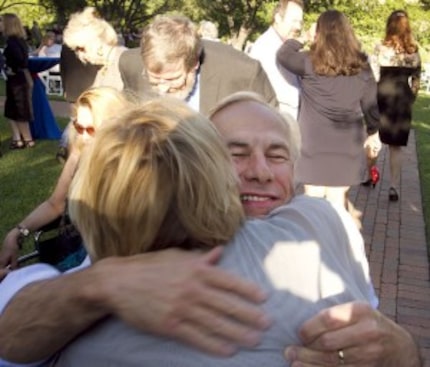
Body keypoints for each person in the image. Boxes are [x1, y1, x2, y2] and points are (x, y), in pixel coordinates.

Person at [0, 93, 420, 367]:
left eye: (277, 155)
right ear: (198, 170)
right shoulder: (121, 248)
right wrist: (99, 285)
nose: (258, 172)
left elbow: (367, 321)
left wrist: (403, 351)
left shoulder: (326, 229)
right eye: (235, 154)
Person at [0, 87, 132, 271]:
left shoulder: (133, 166)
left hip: (117, 258)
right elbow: (56, 204)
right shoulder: (79, 150)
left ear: (117, 128)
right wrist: (17, 233)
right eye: (79, 127)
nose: (84, 137)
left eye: (92, 129)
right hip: (86, 248)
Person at [276, 9, 381, 210]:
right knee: (337, 205)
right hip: (346, 144)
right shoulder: (361, 65)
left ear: (319, 33)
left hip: (313, 144)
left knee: (312, 205)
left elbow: (283, 55)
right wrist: (373, 132)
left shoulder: (309, 61)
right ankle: (338, 241)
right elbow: (371, 106)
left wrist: (302, 38)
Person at [118, 14, 277, 114]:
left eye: (172, 80)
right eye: (154, 80)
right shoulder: (130, 65)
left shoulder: (245, 74)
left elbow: (274, 130)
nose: (162, 89)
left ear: (194, 64)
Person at [56, 6, 127, 162]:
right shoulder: (103, 68)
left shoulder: (124, 62)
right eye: (76, 50)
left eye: (81, 48)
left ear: (97, 41)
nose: (80, 56)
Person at [370, 10, 421, 202]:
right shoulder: (413, 50)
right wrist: (411, 98)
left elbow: (373, 76)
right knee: (396, 147)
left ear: (389, 25)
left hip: (382, 97)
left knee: (374, 139)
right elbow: (416, 80)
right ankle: (393, 186)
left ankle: (369, 174)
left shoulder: (381, 48)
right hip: (402, 100)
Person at [248, 0, 303, 119]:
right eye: (294, 21)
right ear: (278, 18)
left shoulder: (284, 45)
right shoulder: (265, 47)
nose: (298, 27)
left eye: (300, 22)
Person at [1, 13, 35, 149]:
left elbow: (21, 61)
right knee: (11, 109)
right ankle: (17, 139)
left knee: (19, 109)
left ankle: (27, 139)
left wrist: (11, 68)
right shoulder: (17, 40)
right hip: (16, 79)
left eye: (1, 22)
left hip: (17, 80)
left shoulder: (13, 42)